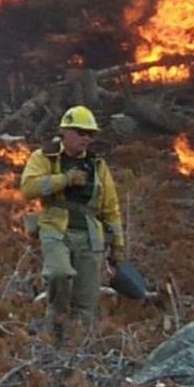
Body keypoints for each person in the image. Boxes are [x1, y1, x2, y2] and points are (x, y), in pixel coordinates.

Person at [19, 105, 125, 346]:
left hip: (90, 237)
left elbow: (111, 207)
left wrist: (117, 245)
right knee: (58, 273)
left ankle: (77, 352)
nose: (86, 138)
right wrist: (64, 180)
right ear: (64, 132)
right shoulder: (44, 157)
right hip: (55, 230)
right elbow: (28, 188)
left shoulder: (97, 165)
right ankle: (54, 330)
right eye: (80, 132)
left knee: (85, 303)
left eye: (90, 134)